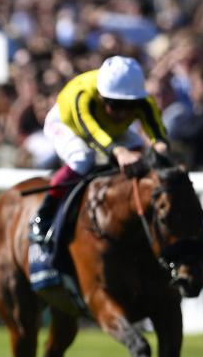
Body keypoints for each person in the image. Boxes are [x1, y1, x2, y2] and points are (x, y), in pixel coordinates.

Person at [29, 56, 170, 243]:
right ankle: (45, 212)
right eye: (115, 105)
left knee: (140, 154)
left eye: (130, 105)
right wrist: (120, 152)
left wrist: (160, 151)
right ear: (101, 97)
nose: (122, 113)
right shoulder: (83, 95)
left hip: (107, 128)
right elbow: (92, 134)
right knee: (82, 158)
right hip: (69, 124)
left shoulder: (145, 102)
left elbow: (159, 136)